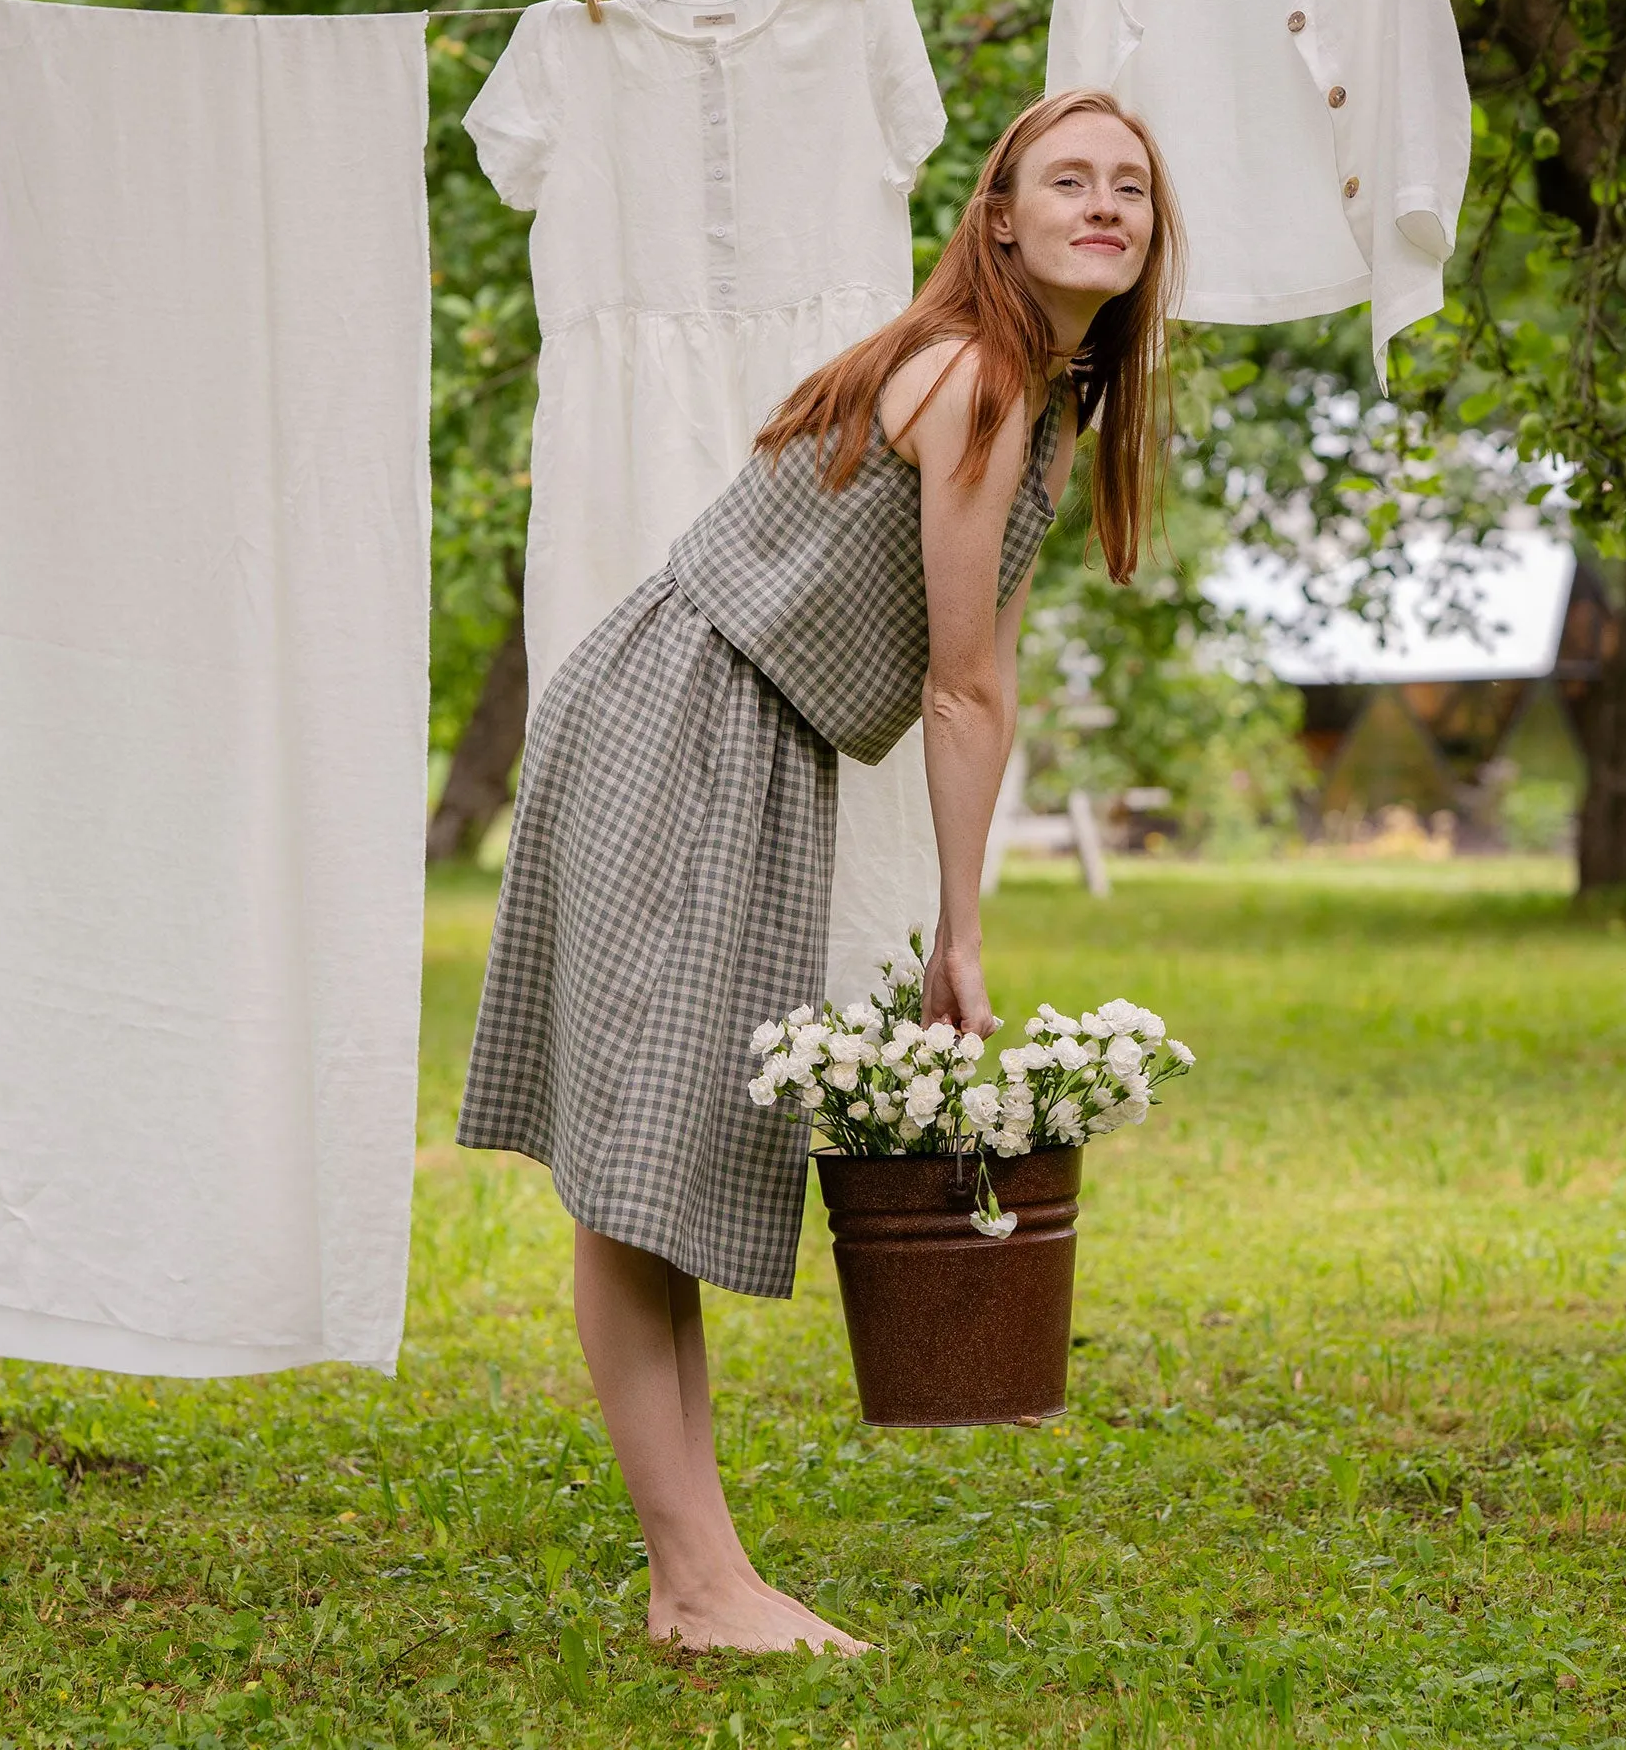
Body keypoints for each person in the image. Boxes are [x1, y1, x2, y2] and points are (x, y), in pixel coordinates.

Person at [457, 87, 1183, 1653]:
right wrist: (961, 930)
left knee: (676, 1164)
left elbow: (962, 671)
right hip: (686, 712)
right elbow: (964, 685)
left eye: (1131, 185)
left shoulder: (1043, 401)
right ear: (1000, 215)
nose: (1105, 203)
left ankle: (699, 1573)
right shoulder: (982, 376)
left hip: (734, 727)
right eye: (1070, 179)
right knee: (648, 1166)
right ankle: (696, 1584)